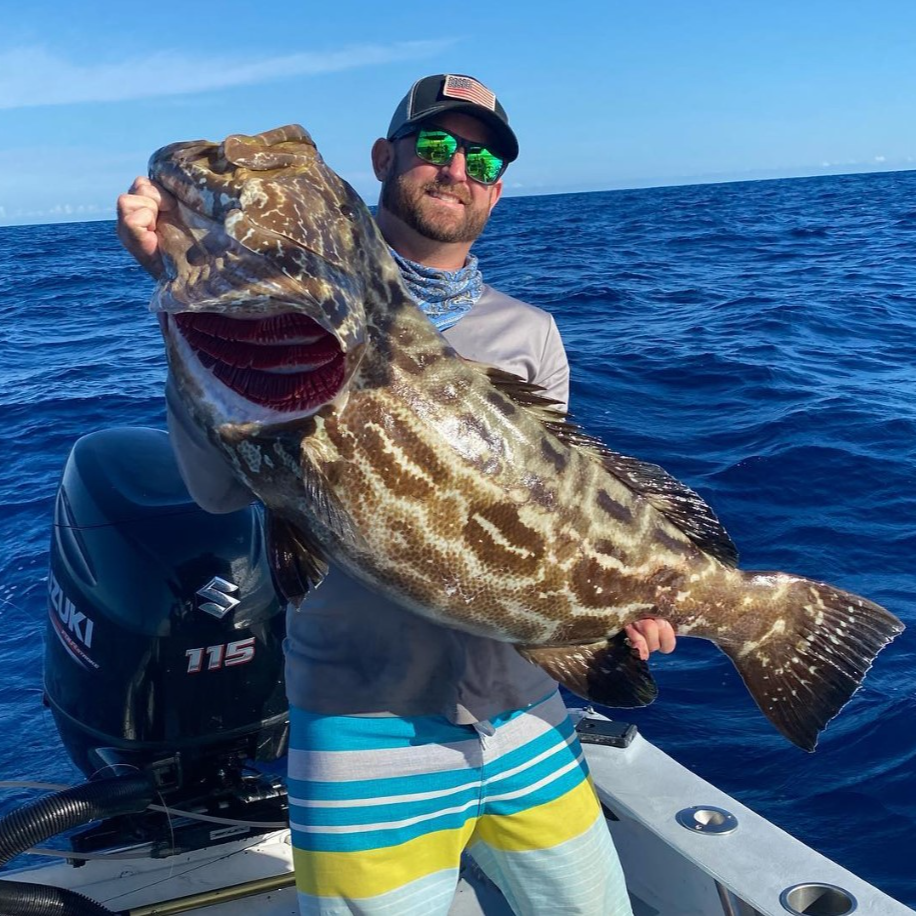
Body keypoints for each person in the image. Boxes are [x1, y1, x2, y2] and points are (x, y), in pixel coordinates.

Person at [118, 73, 677, 916]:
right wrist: (178, 292)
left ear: (498, 184)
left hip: (526, 711)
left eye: (484, 157)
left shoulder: (529, 334)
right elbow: (219, 492)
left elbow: (559, 513)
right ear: (384, 158)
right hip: (362, 722)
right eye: (438, 146)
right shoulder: (282, 301)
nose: (460, 169)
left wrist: (618, 610)